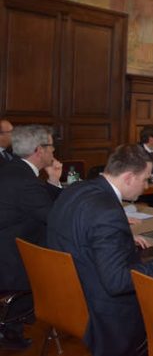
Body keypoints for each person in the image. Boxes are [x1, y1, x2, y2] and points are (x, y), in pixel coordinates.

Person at [47, 144, 153, 356]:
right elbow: (117, 283)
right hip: (100, 311)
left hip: (64, 295)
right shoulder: (107, 211)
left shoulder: (76, 189)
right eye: (145, 179)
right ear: (128, 178)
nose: (147, 186)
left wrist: (121, 238)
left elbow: (81, 231)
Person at [0, 125, 62, 349]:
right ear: (39, 150)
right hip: (10, 258)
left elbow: (41, 204)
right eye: (51, 146)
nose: (54, 151)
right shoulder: (25, 181)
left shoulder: (13, 169)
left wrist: (54, 180)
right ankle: (11, 329)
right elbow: (55, 218)